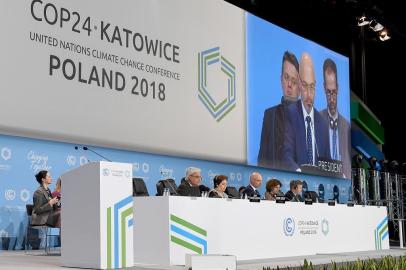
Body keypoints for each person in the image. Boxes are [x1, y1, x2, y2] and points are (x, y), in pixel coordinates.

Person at [282, 52, 330, 171]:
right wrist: (299, 172)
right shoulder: (290, 114)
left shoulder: (323, 123)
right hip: (296, 182)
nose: (309, 94)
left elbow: (328, 162)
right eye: (304, 85)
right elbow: (286, 155)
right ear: (298, 84)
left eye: (312, 87)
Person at [258, 51, 300, 169]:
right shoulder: (269, 115)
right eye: (287, 78)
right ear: (281, 79)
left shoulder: (308, 119)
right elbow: (262, 157)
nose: (289, 84)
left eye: (294, 80)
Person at [320, 58, 351, 179]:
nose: (331, 99)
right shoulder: (316, 120)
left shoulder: (346, 125)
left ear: (337, 88)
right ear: (323, 88)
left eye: (333, 92)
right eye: (328, 93)